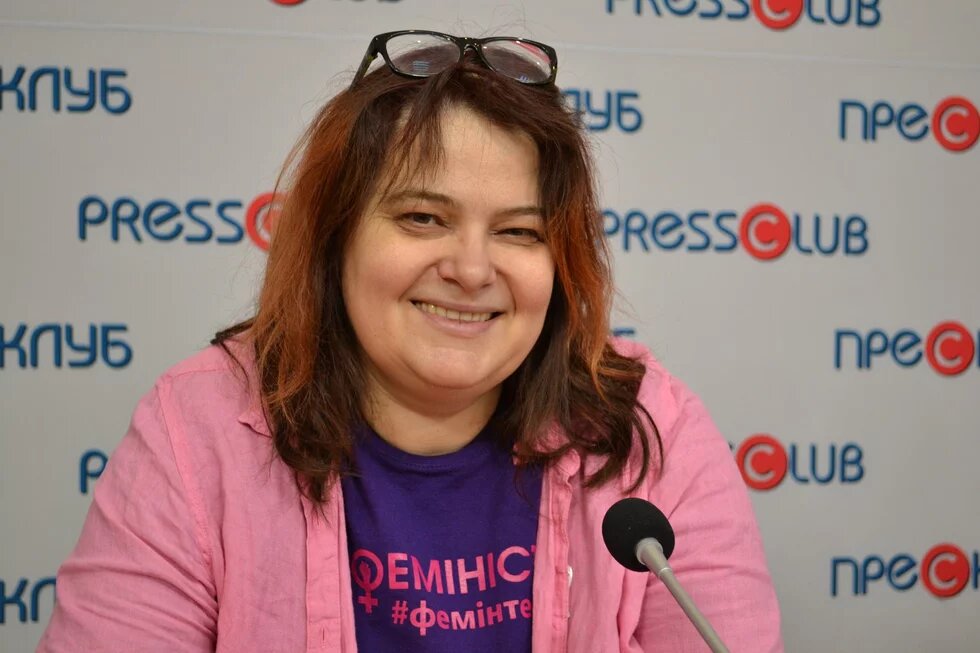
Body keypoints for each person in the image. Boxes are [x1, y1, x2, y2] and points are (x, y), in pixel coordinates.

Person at [38, 30, 783, 652]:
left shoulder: (655, 429)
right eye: (423, 218)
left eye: (519, 232)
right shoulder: (196, 428)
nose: (471, 270)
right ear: (334, 239)